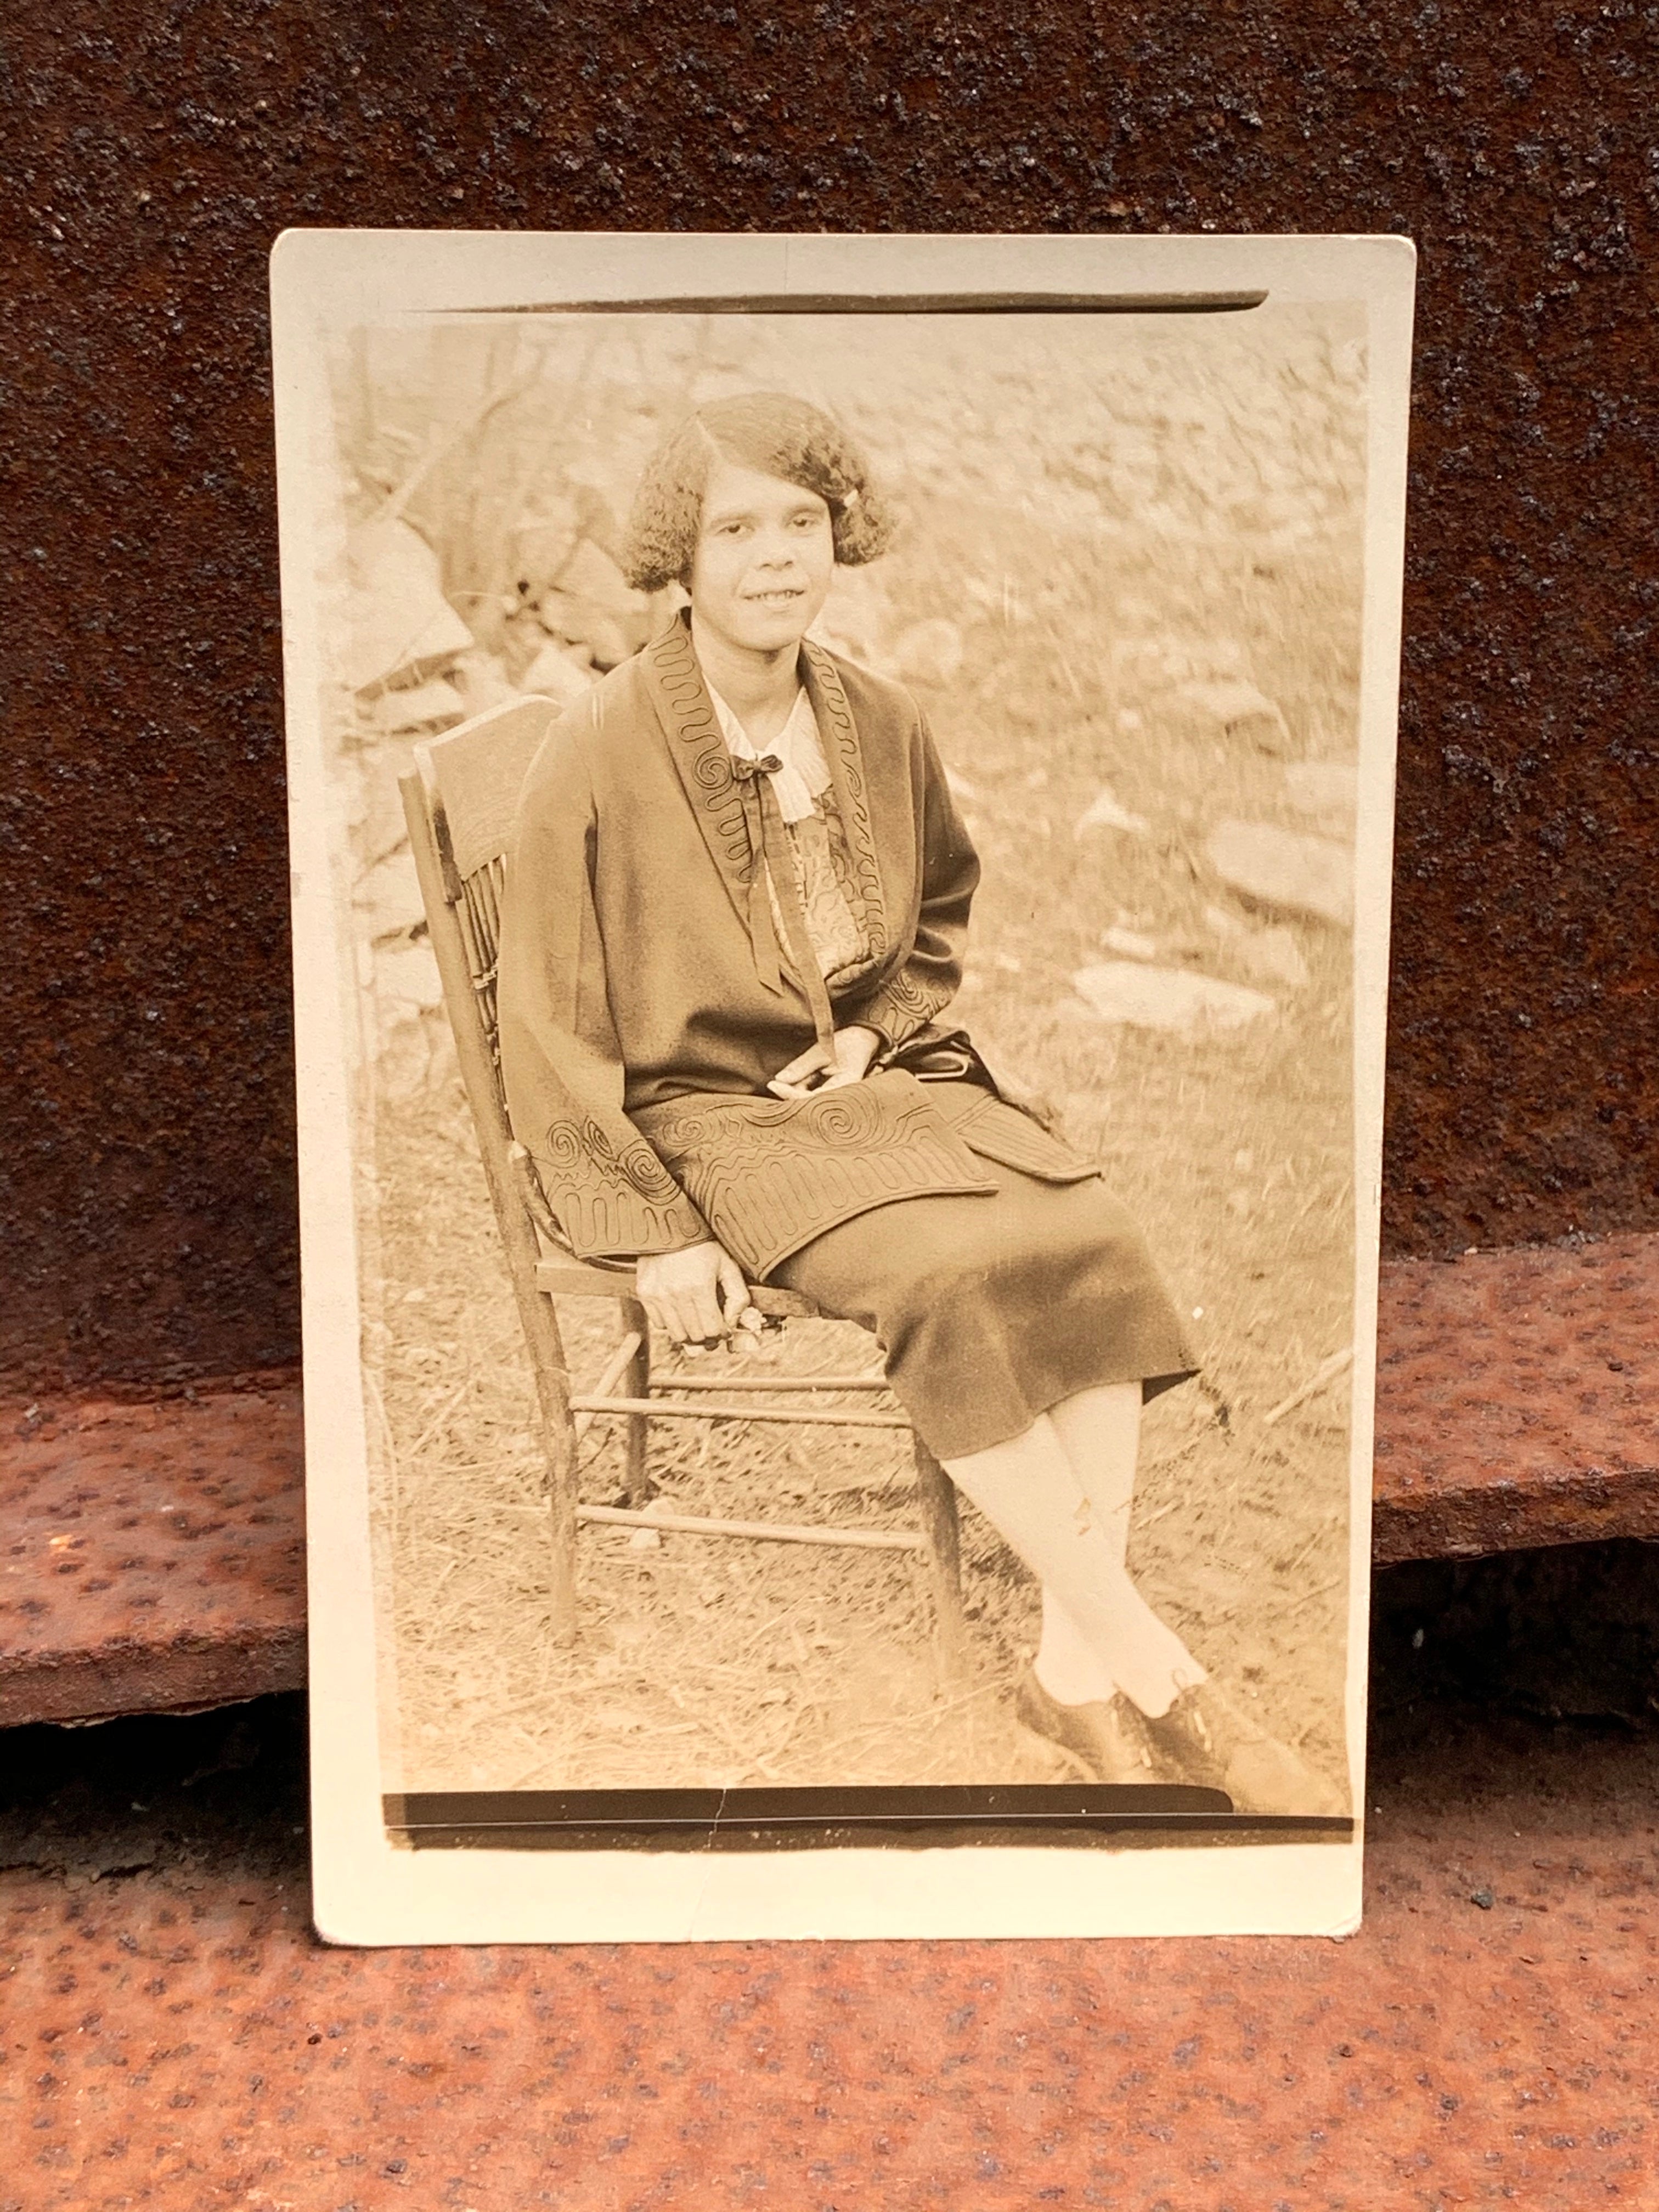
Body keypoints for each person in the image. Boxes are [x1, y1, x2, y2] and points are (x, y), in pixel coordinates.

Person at [496, 391, 1343, 1816]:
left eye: (803, 524)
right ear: (681, 558)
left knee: (1091, 1236)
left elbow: (940, 900)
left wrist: (877, 1027)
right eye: (738, 528)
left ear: (841, 538)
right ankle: (1164, 1681)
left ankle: (1075, 1676)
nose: (776, 557)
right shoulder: (597, 745)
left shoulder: (879, 721)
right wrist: (655, 1234)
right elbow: (549, 1023)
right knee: (952, 1278)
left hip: (870, 1084)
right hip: (711, 1118)